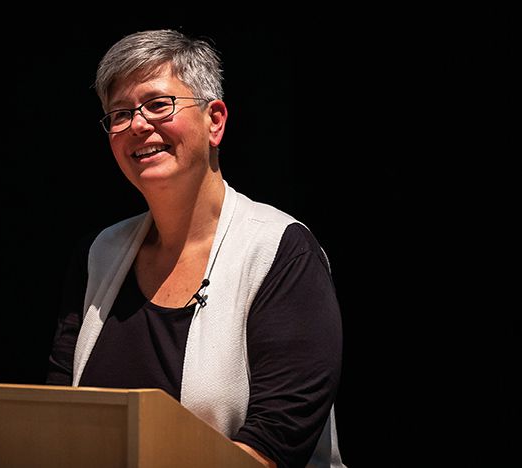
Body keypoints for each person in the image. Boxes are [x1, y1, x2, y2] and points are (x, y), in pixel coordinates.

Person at [46, 29, 346, 468]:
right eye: (120, 114)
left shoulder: (279, 249)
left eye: (157, 104)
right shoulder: (98, 254)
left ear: (215, 121)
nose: (138, 124)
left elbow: (273, 445)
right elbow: (58, 416)